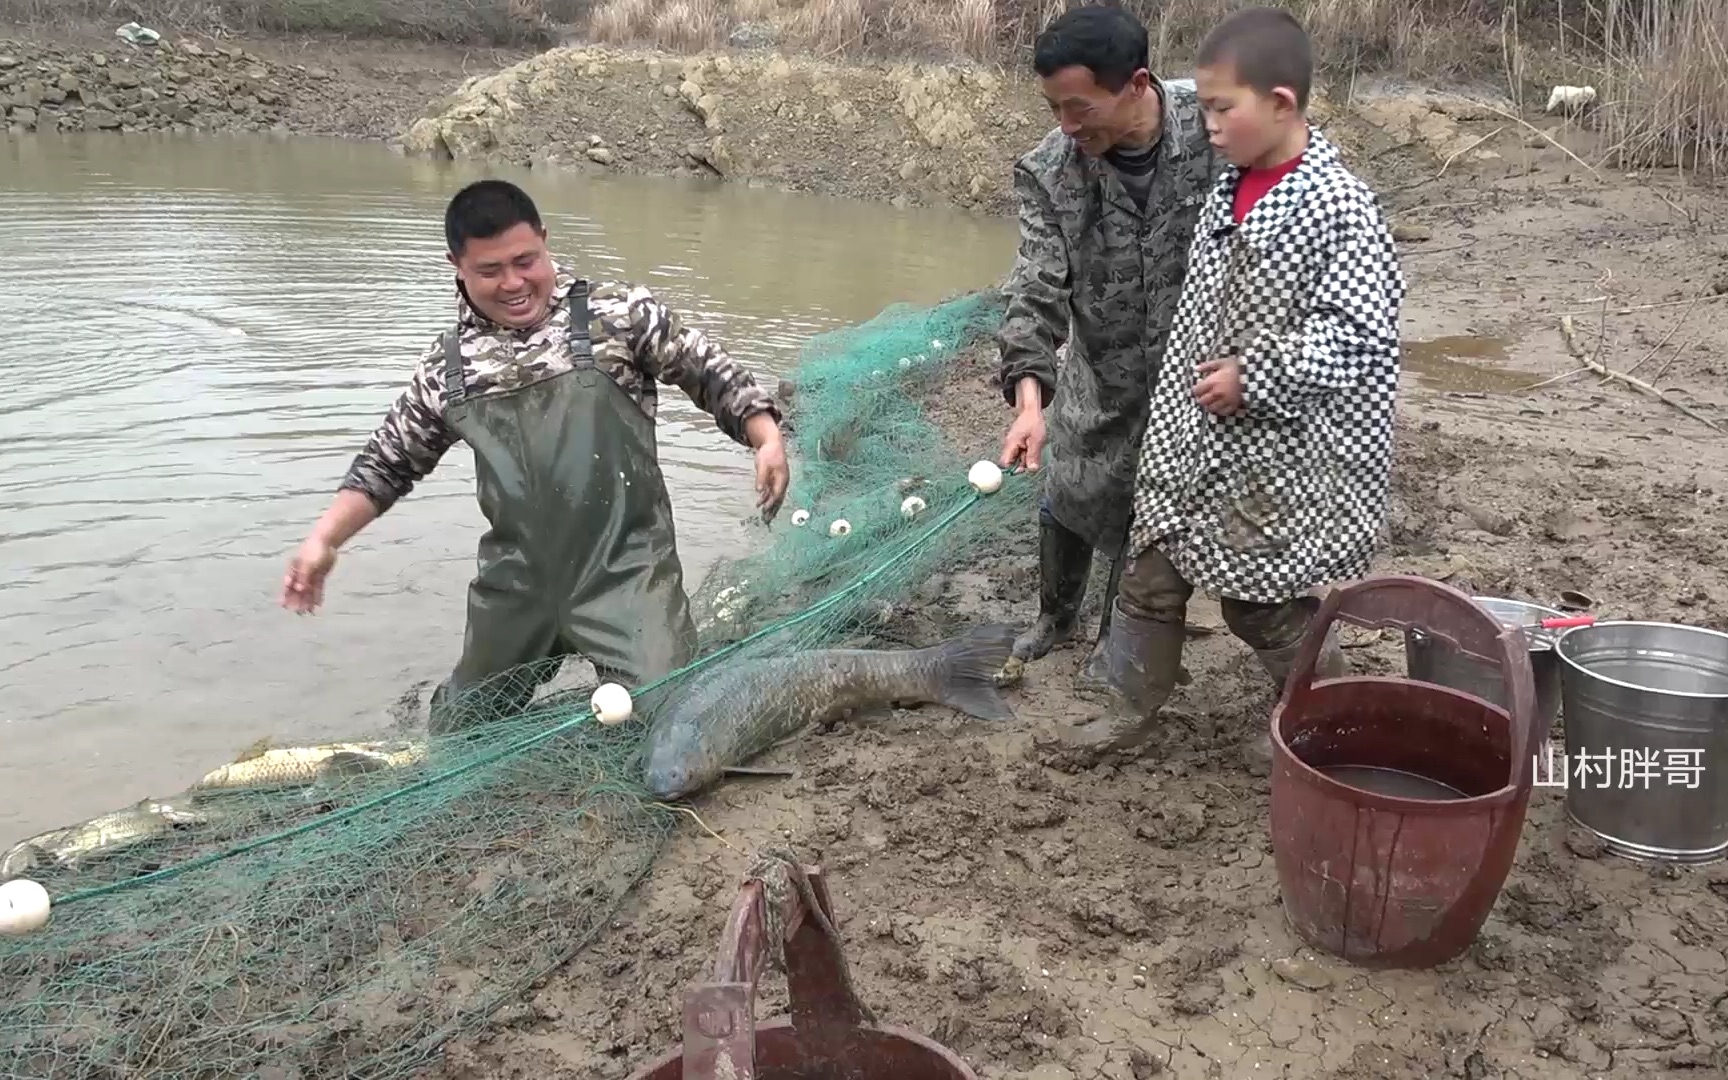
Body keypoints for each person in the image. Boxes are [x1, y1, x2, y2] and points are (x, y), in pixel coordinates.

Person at [280, 179, 790, 733]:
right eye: (490, 270)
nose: (514, 283)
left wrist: (763, 436)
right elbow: (388, 463)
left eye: (526, 261)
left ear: (545, 241)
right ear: (457, 265)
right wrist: (323, 540)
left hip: (626, 571)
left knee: (671, 717)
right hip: (516, 584)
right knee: (460, 732)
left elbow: (707, 369)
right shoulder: (448, 368)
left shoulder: (617, 315)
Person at [1060, 6, 1407, 753]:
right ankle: (1129, 707)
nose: (1207, 123)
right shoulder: (1231, 188)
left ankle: (1332, 718)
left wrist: (1260, 375)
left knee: (1260, 603)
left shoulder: (1338, 206)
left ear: (1279, 103)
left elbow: (1361, 335)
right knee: (1150, 576)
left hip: (1273, 458)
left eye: (1221, 109)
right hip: (1193, 439)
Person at [994, 4, 1219, 686]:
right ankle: (1054, 616)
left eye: (1079, 107)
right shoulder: (1051, 170)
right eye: (1054, 108)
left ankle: (1114, 639)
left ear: (1136, 85)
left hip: (1196, 380)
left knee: (1151, 511)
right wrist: (1029, 402)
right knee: (1071, 487)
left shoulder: (1217, 131)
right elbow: (1035, 288)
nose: (1067, 125)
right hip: (1102, 371)